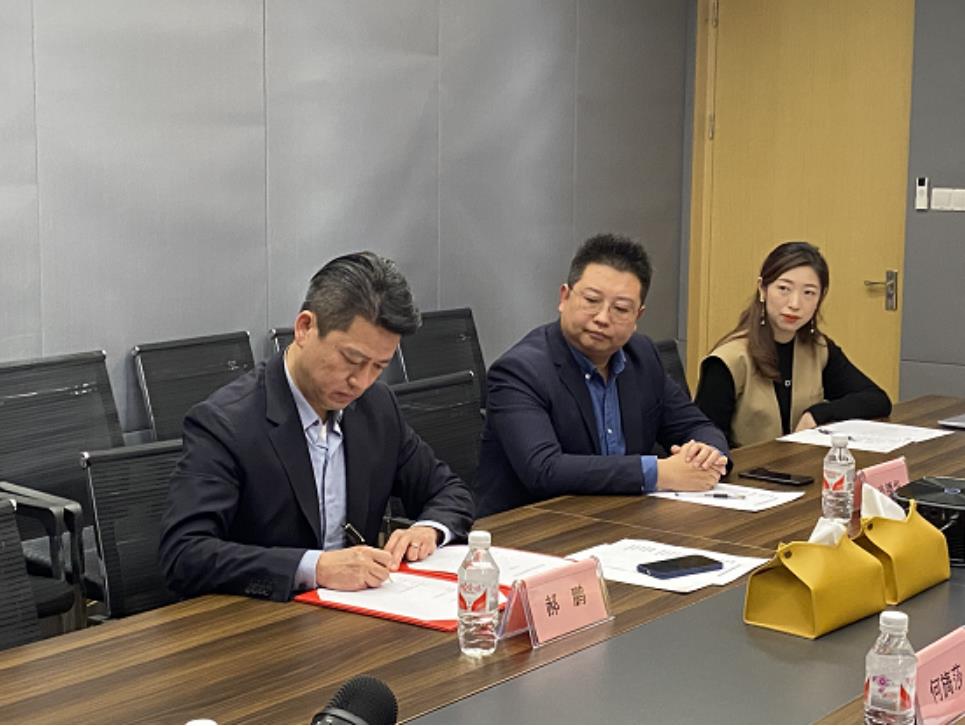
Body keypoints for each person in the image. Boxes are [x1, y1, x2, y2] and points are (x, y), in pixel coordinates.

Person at [159, 252, 474, 601]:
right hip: (265, 616)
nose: (360, 382)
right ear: (305, 328)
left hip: (362, 610)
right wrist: (315, 568)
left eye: (378, 367)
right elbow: (185, 554)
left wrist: (428, 530)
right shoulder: (226, 424)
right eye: (351, 359)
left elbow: (448, 491)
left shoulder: (377, 407)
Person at [476, 234, 729, 517]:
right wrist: (659, 472)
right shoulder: (519, 371)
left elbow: (698, 426)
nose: (603, 318)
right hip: (532, 526)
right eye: (592, 300)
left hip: (622, 517)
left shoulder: (642, 355)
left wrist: (706, 454)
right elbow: (545, 469)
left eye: (620, 309)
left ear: (637, 316)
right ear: (564, 297)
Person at [694, 241, 891, 448]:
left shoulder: (818, 349)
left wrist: (817, 414)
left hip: (801, 463)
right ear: (762, 289)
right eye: (784, 289)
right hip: (744, 467)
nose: (795, 304)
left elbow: (877, 399)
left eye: (809, 293)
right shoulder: (729, 360)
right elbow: (706, 442)